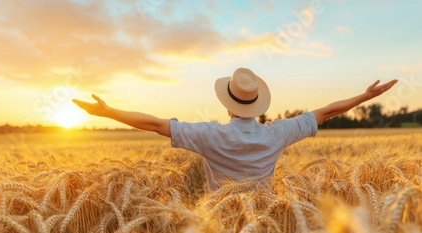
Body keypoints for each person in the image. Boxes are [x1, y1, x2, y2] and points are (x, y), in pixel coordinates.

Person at [72, 68, 398, 191]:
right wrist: (365, 97)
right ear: (258, 105)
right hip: (264, 221)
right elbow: (326, 112)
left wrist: (108, 111)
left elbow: (155, 124)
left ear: (227, 106)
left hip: (221, 224)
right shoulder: (278, 133)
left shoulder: (209, 136)